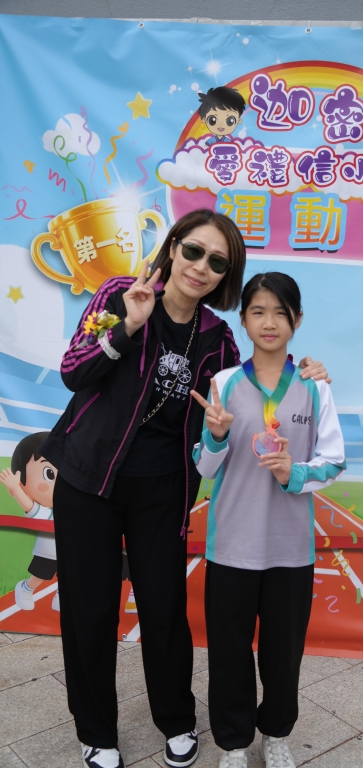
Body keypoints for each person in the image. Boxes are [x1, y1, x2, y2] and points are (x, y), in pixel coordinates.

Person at [40, 210, 329, 768]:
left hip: (164, 489)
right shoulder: (120, 294)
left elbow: (249, 393)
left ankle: (175, 718)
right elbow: (74, 370)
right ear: (172, 248)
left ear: (225, 277)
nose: (201, 267)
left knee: (164, 608)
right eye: (193, 251)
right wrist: (126, 328)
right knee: (89, 611)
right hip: (89, 479)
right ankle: (96, 732)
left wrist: (306, 372)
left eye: (217, 262)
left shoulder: (217, 339)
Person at [191, 272, 346, 768]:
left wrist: (293, 473)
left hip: (289, 549)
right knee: (229, 653)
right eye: (258, 311)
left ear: (297, 320)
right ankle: (234, 744)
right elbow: (204, 467)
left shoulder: (315, 386)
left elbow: (334, 461)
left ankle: (276, 735)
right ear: (243, 319)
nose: (270, 322)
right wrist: (216, 436)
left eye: (281, 312)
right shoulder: (223, 384)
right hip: (231, 545)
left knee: (283, 655)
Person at [0, 431, 60, 612]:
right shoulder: (46, 512)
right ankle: (26, 588)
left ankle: (61, 596)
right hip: (48, 552)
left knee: (70, 575)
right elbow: (29, 506)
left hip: (71, 551)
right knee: (40, 574)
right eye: (50, 474)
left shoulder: (74, 510)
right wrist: (16, 488)